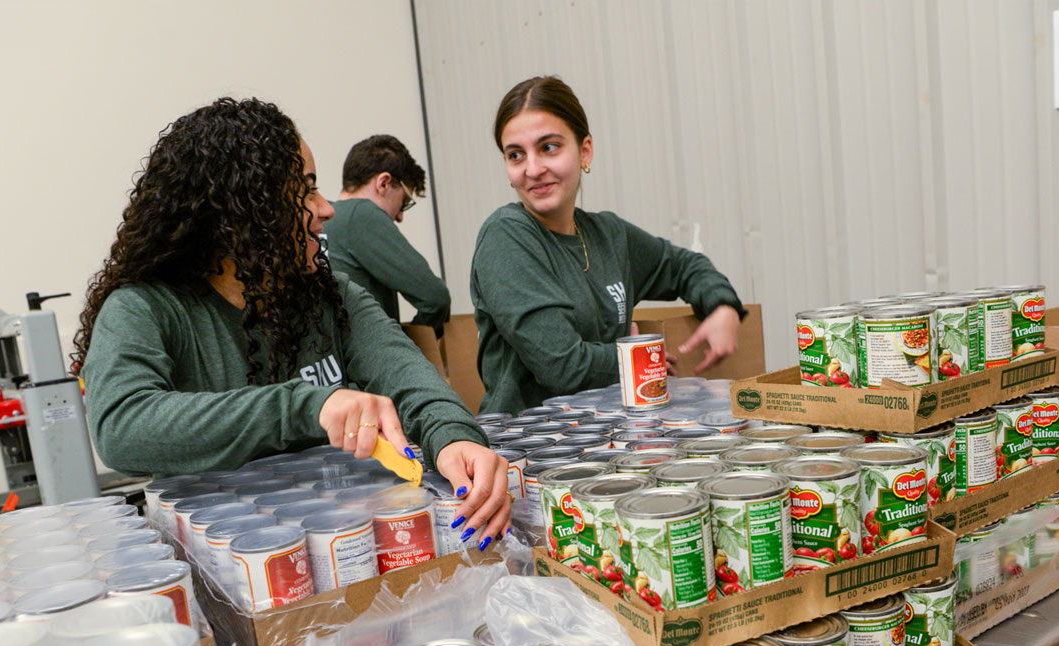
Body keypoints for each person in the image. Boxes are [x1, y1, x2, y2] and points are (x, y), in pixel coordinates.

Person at [75, 97, 508, 547]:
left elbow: (412, 380)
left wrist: (455, 438)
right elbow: (120, 429)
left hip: (340, 542)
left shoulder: (331, 294)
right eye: (306, 190)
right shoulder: (144, 308)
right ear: (241, 208)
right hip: (228, 557)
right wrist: (308, 405)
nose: (327, 209)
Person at [470, 76, 746, 414]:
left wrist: (722, 307)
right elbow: (562, 366)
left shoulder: (607, 235)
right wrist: (641, 357)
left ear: (585, 150)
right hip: (527, 448)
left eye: (549, 147)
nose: (533, 169)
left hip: (610, 435)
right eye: (516, 155)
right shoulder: (507, 237)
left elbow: (683, 266)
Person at [323, 135, 451, 336]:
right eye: (404, 202)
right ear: (383, 183)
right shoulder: (361, 214)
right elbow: (435, 298)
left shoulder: (323, 221)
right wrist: (406, 349)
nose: (400, 217)